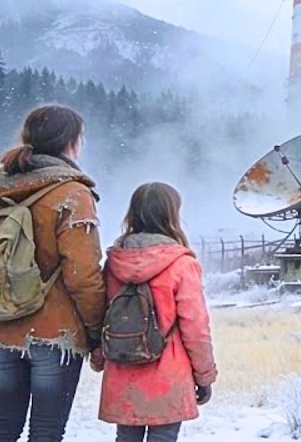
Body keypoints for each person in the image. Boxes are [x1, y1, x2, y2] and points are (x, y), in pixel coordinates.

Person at [0, 104, 108, 442]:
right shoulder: (73, 194)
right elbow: (83, 275)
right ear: (71, 142)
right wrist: (96, 331)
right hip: (54, 330)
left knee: (3, 425)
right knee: (46, 431)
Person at [93, 182, 218, 442]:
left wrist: (98, 357)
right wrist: (204, 376)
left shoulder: (115, 262)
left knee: (126, 437)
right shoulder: (182, 264)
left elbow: (101, 314)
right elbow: (195, 327)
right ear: (172, 215)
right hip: (167, 371)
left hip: (122, 366)